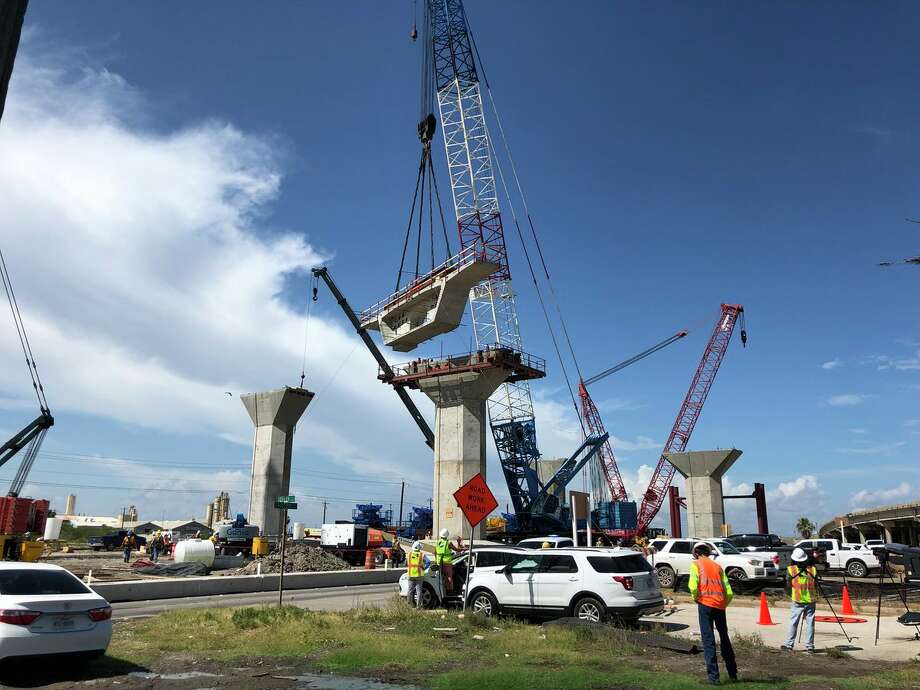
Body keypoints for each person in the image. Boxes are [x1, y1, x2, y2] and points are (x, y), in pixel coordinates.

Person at [689, 542, 737, 685]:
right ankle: (733, 673)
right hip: (720, 606)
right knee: (724, 638)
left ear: (696, 553)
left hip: (705, 605)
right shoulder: (718, 567)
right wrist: (723, 604)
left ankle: (714, 678)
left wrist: (696, 597)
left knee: (708, 640)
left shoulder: (696, 565)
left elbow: (693, 585)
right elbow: (729, 591)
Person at [781, 547, 818, 653]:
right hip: (811, 600)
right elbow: (815, 584)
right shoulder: (813, 569)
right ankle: (810, 646)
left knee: (794, 622)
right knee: (810, 623)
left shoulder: (791, 569)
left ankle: (789, 645)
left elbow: (788, 584)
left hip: (797, 600)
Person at [435, 528, 460, 593]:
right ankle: (450, 591)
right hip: (447, 562)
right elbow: (457, 550)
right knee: (449, 577)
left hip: (439, 562)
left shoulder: (438, 542)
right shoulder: (449, 543)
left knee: (443, 577)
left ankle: (443, 591)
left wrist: (436, 560)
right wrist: (464, 548)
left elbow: (435, 552)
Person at [406, 541, 425, 608]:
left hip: (410, 574)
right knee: (419, 591)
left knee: (410, 590)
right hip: (419, 575)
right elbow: (427, 563)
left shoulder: (409, 554)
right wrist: (423, 567)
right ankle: (418, 606)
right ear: (419, 548)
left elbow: (407, 563)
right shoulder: (422, 555)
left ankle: (409, 604)